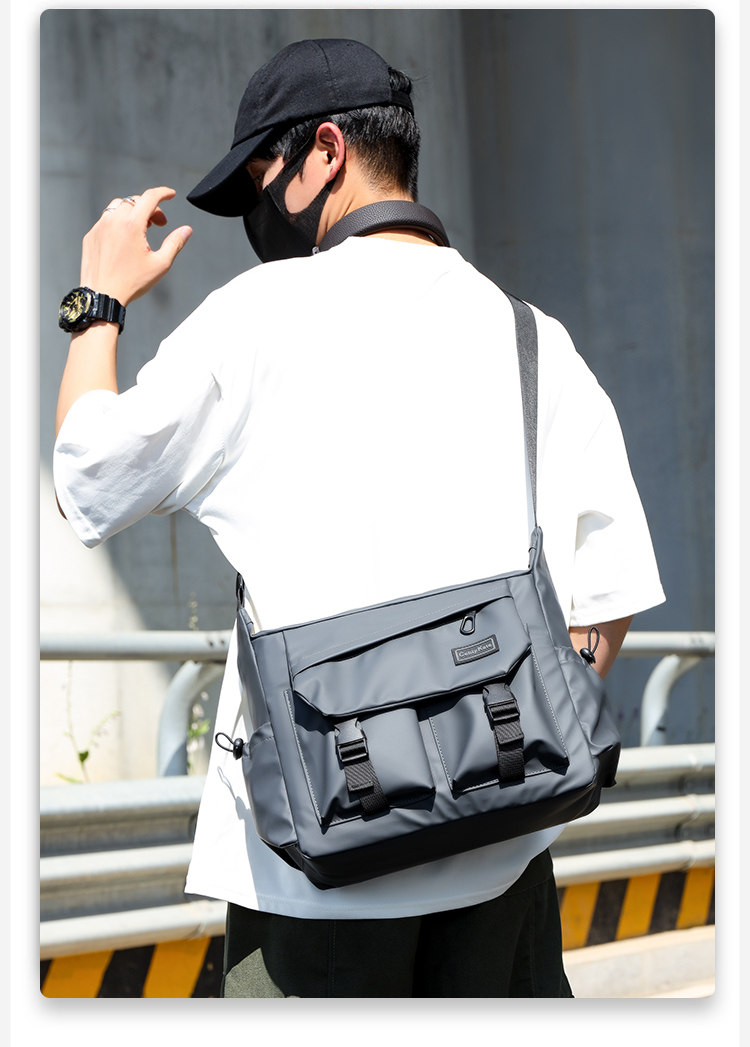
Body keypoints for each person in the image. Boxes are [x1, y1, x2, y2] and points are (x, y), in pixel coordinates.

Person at [53, 38, 665, 997]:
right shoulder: (534, 337)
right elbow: (608, 596)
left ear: (326, 151)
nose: (255, 212)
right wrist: (496, 749)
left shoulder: (255, 318)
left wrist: (97, 300)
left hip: (313, 878)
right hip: (506, 873)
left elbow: (88, 477)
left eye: (260, 178)